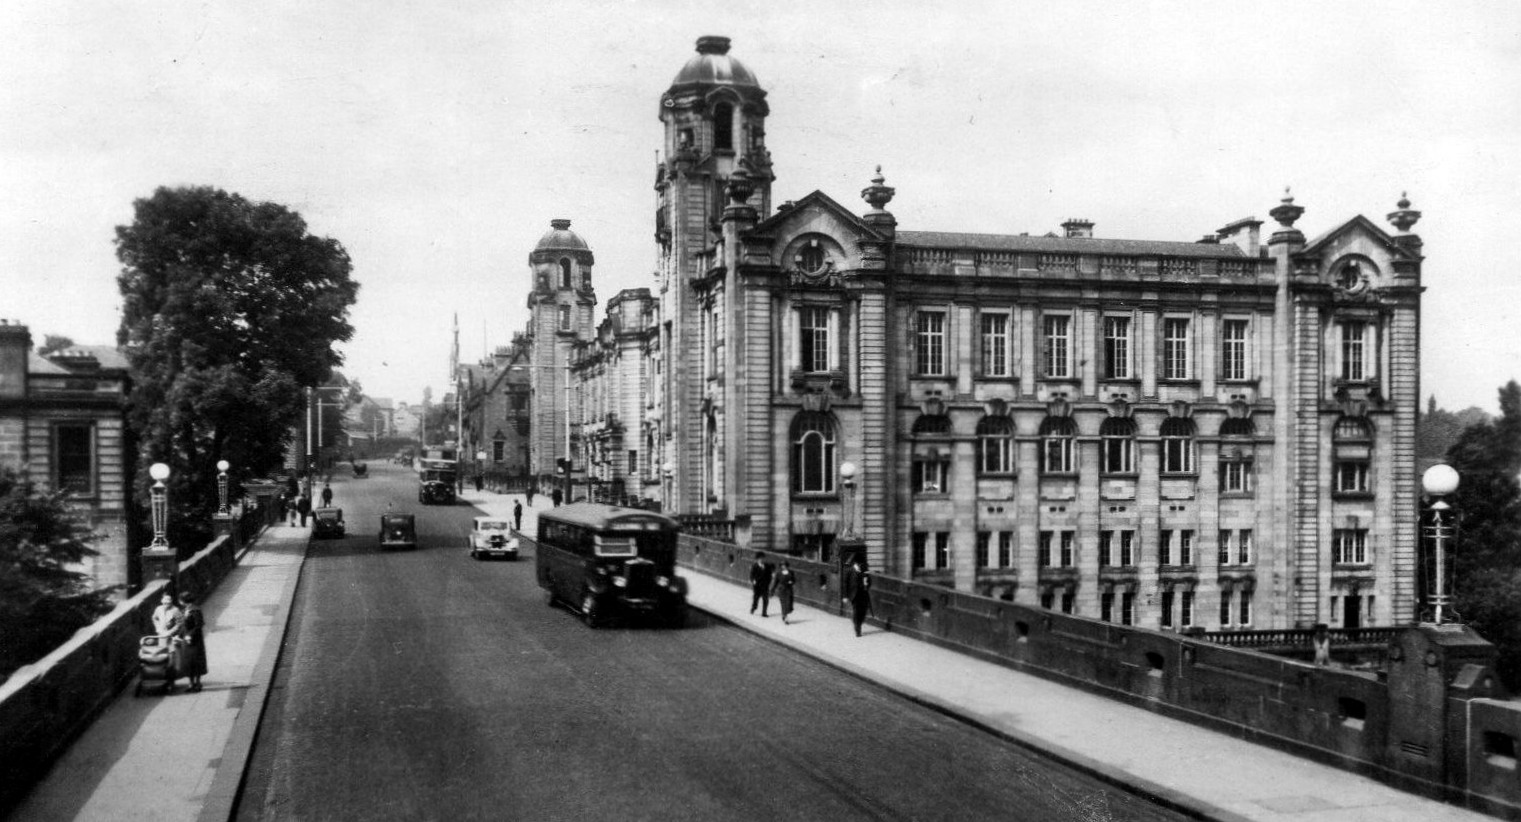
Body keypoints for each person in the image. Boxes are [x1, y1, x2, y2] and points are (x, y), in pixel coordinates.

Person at [151, 593, 184, 692]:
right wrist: (158, 628)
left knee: (171, 660)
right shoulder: (158, 609)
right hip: (161, 637)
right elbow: (154, 618)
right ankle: (164, 680)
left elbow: (180, 623)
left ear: (171, 602)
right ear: (162, 602)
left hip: (171, 638)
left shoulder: (175, 610)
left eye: (168, 602)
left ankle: (171, 682)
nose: (166, 604)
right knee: (162, 659)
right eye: (165, 602)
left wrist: (170, 632)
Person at [177, 592, 208, 692]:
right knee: (188, 662)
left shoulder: (195, 610)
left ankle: (198, 683)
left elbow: (199, 624)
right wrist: (179, 636)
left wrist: (190, 636)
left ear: (182, 601)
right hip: (186, 640)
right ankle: (191, 683)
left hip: (195, 640)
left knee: (196, 661)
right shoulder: (185, 610)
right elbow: (183, 626)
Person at [844, 558, 873, 637]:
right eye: (858, 565)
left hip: (863, 594)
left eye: (861, 565)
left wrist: (866, 584)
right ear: (855, 564)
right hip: (854, 595)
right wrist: (845, 596)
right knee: (856, 611)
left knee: (863, 612)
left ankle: (859, 623)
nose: (860, 566)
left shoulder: (864, 570)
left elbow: (869, 581)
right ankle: (857, 629)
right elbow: (845, 584)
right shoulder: (850, 571)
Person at [749, 552, 775, 617]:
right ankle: (754, 607)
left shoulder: (767, 566)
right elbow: (751, 575)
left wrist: (768, 582)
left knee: (765, 599)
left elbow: (769, 575)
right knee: (756, 598)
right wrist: (753, 580)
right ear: (757, 559)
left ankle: (764, 613)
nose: (761, 560)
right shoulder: (755, 566)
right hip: (757, 585)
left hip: (765, 585)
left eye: (762, 558)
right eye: (760, 559)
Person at [771, 560, 796, 624]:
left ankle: (784, 614)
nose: (784, 567)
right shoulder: (778, 573)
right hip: (782, 590)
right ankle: (785, 617)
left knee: (789, 604)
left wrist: (791, 582)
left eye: (785, 565)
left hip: (789, 589)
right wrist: (772, 590)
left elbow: (794, 580)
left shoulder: (791, 572)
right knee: (784, 604)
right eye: (782, 565)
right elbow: (775, 582)